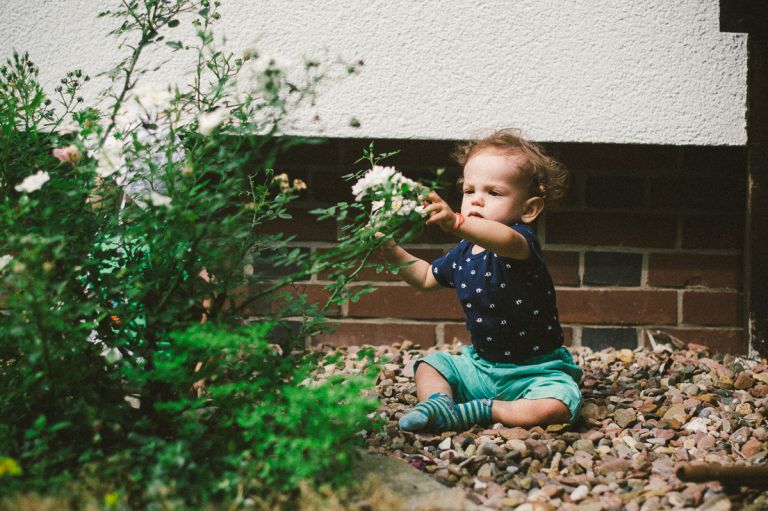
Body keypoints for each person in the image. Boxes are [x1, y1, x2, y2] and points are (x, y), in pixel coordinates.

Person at [379, 129, 582, 432]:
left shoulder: (520, 243)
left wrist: (456, 223)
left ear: (529, 209)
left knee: (558, 405)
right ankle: (439, 403)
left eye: (494, 193)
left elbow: (503, 239)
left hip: (535, 371)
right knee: (431, 366)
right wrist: (390, 250)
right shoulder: (463, 253)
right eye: (469, 190)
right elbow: (424, 277)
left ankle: (482, 410)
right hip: (481, 366)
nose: (476, 201)